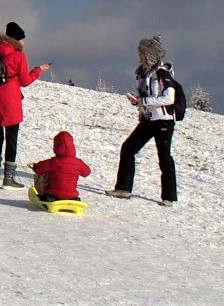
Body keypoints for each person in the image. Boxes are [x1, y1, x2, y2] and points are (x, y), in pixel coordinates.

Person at [0, 21, 52, 188]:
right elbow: (24, 81)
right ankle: (8, 178)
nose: (24, 42)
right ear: (15, 39)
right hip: (10, 102)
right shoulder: (18, 55)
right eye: (22, 39)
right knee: (12, 140)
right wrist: (38, 70)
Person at [106, 35, 178, 206]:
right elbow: (149, 96)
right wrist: (138, 100)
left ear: (149, 54)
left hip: (163, 121)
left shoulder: (163, 73)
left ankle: (168, 197)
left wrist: (143, 101)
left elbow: (169, 99)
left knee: (164, 157)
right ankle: (123, 189)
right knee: (128, 148)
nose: (139, 56)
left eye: (142, 53)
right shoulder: (144, 72)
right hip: (148, 119)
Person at [29, 131, 91, 201]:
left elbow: (40, 168)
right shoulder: (78, 163)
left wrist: (35, 166)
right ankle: (74, 199)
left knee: (46, 181)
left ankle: (48, 198)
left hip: (54, 194)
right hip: (71, 195)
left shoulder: (54, 162)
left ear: (56, 146)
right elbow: (87, 172)